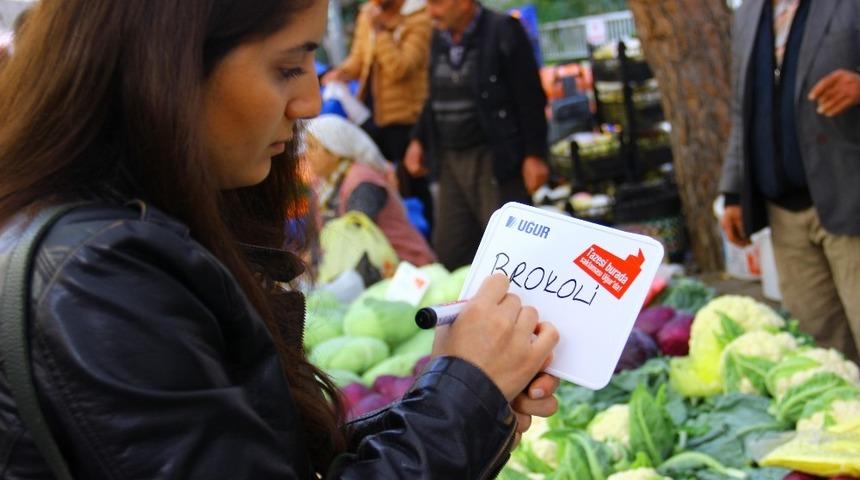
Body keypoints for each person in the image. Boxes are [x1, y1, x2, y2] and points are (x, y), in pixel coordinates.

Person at [0, 1, 563, 478]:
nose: (312, 103)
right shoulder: (103, 277)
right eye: (289, 66)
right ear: (165, 66)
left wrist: (472, 397)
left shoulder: (98, 246)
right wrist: (465, 394)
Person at [720, 0, 860, 362]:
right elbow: (742, 107)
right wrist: (733, 192)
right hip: (784, 215)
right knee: (822, 351)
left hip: (850, 202)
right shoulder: (750, 12)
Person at [404, 0, 550, 270]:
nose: (431, 12)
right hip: (450, 158)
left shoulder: (504, 30)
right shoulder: (440, 37)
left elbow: (530, 97)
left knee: (509, 250)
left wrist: (535, 155)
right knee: (451, 249)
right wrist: (418, 139)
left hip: (493, 156)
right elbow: (434, 96)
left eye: (437, 3)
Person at [322, 0, 435, 236]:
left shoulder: (420, 16)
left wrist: (381, 32)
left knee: (412, 188)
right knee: (386, 185)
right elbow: (359, 59)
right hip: (370, 116)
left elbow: (400, 67)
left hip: (406, 120)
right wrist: (340, 74)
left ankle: (424, 242)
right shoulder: (368, 14)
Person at [304, 114, 436, 267]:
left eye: (312, 147)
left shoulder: (362, 183)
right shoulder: (325, 184)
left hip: (402, 266)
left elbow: (356, 239)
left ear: (335, 151)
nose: (307, 154)